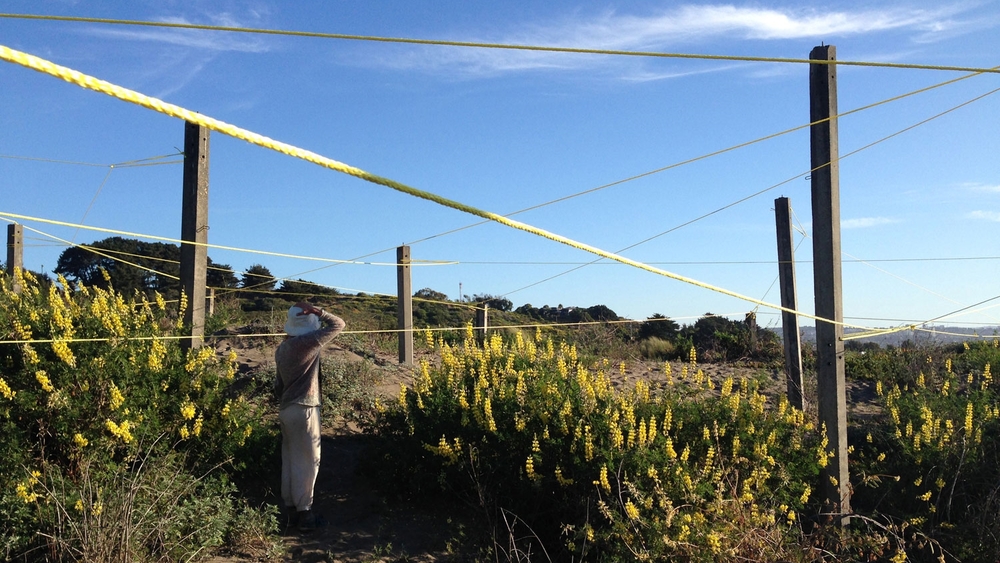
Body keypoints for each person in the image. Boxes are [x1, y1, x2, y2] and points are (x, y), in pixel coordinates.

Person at [274, 301, 345, 532]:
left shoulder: (282, 349)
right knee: (308, 463)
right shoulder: (308, 342)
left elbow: (278, 386)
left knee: (290, 460)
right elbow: (338, 325)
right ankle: (306, 516)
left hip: (286, 409)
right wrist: (320, 312)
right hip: (305, 408)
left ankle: (291, 511)